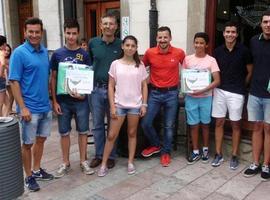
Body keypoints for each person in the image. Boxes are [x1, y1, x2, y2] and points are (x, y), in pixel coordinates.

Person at [9, 17, 54, 192]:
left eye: (37, 32)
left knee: (41, 140)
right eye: (31, 32)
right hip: (30, 109)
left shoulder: (44, 52)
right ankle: (28, 176)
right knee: (27, 143)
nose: (34, 35)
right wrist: (23, 107)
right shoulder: (19, 53)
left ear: (41, 32)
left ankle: (36, 170)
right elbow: (14, 82)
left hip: (45, 107)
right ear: (25, 32)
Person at [97, 35, 148, 177]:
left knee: (132, 133)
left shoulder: (140, 65)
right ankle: (103, 164)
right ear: (122, 46)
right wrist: (112, 106)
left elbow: (144, 85)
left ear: (136, 48)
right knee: (112, 135)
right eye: (127, 45)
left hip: (135, 105)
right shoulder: (115, 64)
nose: (130, 48)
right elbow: (111, 86)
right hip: (119, 104)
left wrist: (144, 104)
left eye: (133, 46)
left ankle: (130, 162)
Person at [50, 19, 94, 178]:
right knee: (64, 133)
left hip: (81, 101)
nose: (71, 36)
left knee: (83, 131)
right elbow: (53, 78)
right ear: (64, 33)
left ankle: (83, 161)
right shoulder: (57, 54)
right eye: (68, 33)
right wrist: (54, 101)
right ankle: (65, 162)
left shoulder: (84, 54)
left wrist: (82, 94)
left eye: (74, 33)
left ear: (78, 34)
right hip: (63, 101)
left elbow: (88, 77)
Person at [141, 26, 185, 167]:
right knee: (146, 123)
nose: (162, 40)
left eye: (165, 37)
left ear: (170, 38)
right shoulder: (150, 53)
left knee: (168, 126)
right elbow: (140, 69)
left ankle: (166, 152)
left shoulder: (179, 53)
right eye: (160, 37)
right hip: (154, 93)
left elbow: (189, 67)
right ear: (156, 39)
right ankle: (157, 145)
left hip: (172, 93)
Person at [211, 22, 252, 169]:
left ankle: (234, 155)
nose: (230, 34)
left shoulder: (244, 51)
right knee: (219, 123)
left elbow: (250, 72)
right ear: (223, 33)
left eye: (233, 32)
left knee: (235, 124)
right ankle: (218, 153)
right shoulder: (217, 51)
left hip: (237, 92)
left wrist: (242, 85)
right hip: (220, 91)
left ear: (237, 34)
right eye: (227, 31)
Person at [88, 13, 122, 169]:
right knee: (97, 125)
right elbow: (88, 65)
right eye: (105, 24)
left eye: (111, 24)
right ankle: (99, 154)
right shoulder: (93, 43)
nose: (108, 26)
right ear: (101, 26)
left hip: (114, 91)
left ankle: (111, 155)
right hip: (95, 89)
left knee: (113, 124)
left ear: (116, 26)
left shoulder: (121, 45)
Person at [184, 32, 220, 165]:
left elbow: (217, 81)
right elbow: (184, 77)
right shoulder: (187, 59)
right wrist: (186, 88)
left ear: (206, 45)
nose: (198, 45)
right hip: (191, 97)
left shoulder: (211, 60)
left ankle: (205, 149)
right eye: (196, 42)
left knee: (205, 124)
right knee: (193, 125)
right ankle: (195, 150)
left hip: (206, 97)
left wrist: (203, 89)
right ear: (193, 43)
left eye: (201, 43)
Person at [243, 11, 270, 181]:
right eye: (266, 21)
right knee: (257, 128)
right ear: (260, 24)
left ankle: (266, 165)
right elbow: (250, 66)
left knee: (268, 129)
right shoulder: (254, 41)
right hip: (254, 92)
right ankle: (255, 162)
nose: (268, 25)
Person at [3, 44, 14, 116]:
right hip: (4, 79)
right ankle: (6, 111)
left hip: (10, 78)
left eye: (8, 51)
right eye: (5, 50)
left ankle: (9, 109)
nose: (7, 52)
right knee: (5, 97)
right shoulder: (2, 58)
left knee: (12, 95)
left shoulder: (11, 59)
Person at [0, 35, 7, 116]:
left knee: (6, 101)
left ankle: (7, 115)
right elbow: (3, 64)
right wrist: (1, 75)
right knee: (1, 102)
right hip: (1, 79)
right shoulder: (1, 52)